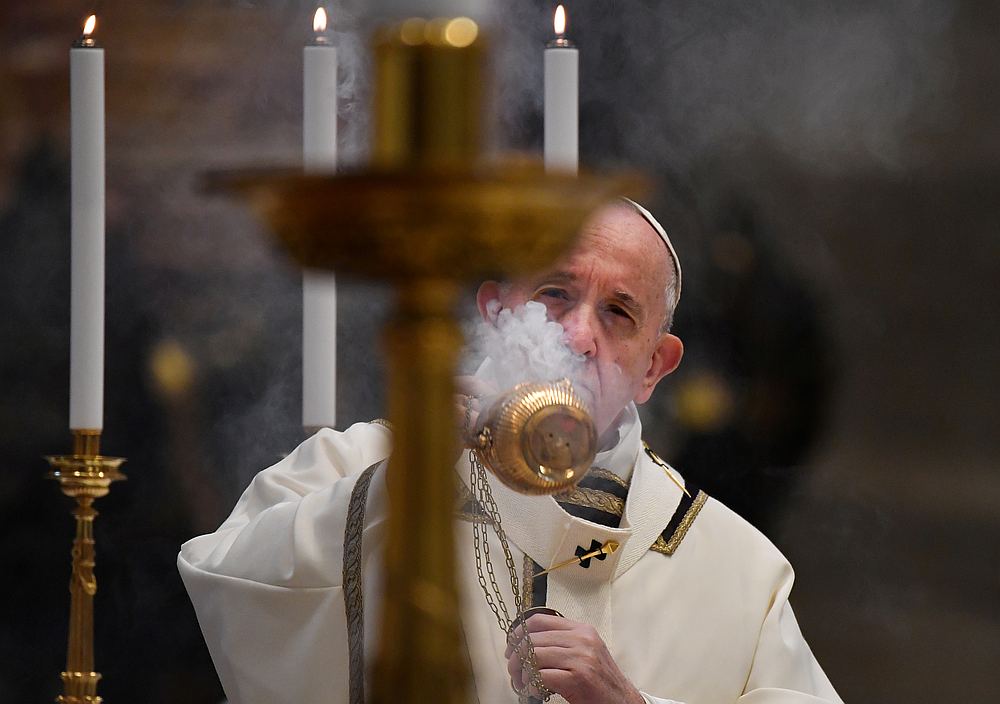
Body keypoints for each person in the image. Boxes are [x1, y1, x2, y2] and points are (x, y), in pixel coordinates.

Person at [178, 199, 843, 704]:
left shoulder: (739, 570)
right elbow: (227, 587)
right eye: (555, 293)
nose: (580, 335)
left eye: (619, 313)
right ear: (495, 310)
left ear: (654, 367)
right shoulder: (362, 464)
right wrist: (411, 475)